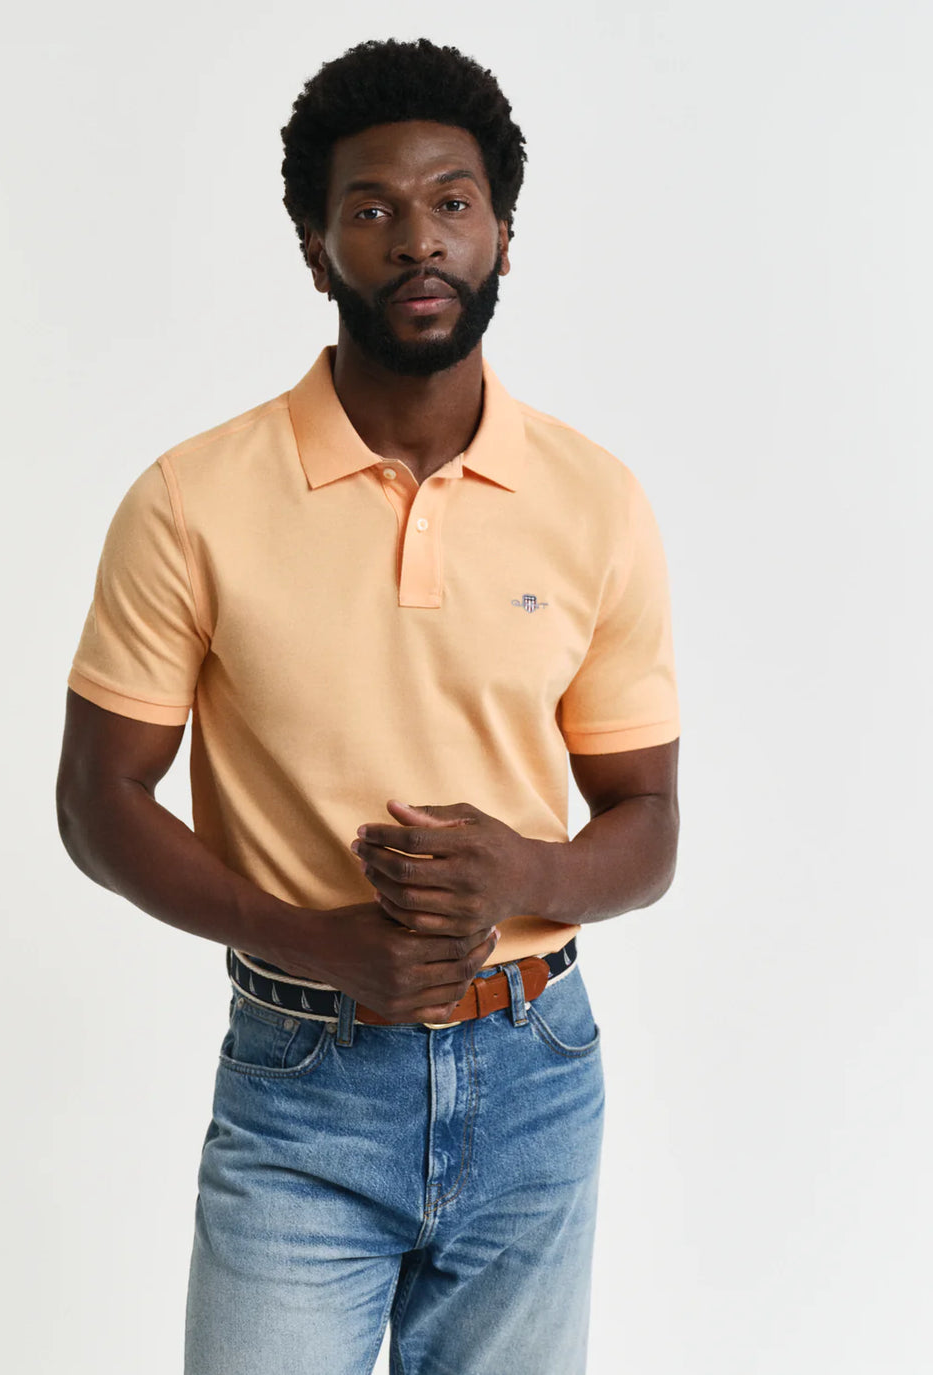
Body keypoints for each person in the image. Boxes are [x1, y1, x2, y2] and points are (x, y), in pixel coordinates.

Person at [56, 36, 680, 1375]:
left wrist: (524, 869)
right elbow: (98, 800)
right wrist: (316, 942)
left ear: (502, 235)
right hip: (303, 1080)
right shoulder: (191, 502)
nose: (418, 239)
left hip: (536, 1072)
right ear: (315, 245)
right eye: (373, 208)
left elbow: (650, 822)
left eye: (453, 202)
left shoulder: (596, 501)